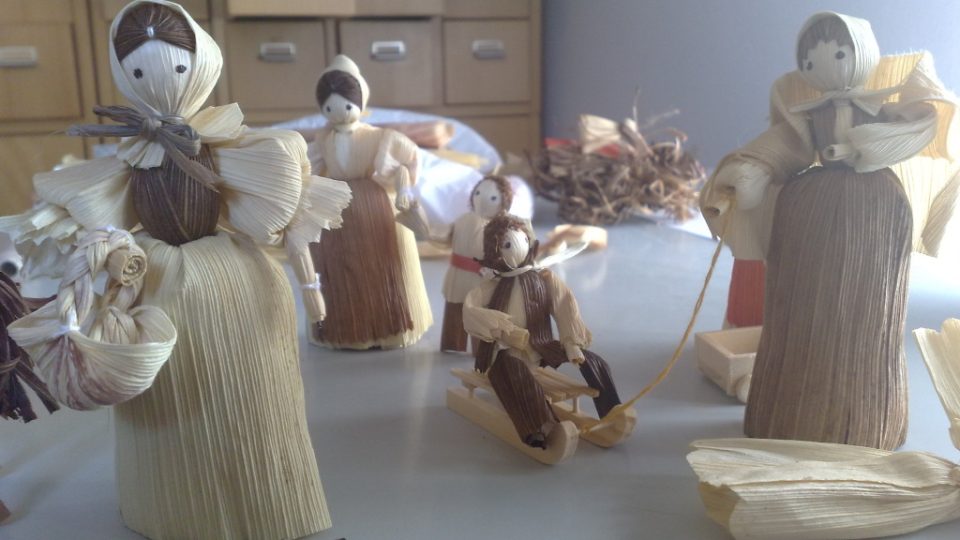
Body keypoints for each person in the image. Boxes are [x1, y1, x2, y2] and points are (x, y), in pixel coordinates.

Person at [0, 1, 351, 537]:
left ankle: (266, 495)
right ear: (124, 77)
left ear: (202, 65)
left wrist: (310, 285)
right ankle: (171, 501)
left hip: (233, 278)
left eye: (178, 66)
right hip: (157, 275)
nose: (159, 81)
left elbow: (279, 212)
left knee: (252, 393)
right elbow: (99, 210)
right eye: (138, 72)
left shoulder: (230, 147)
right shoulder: (130, 155)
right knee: (164, 393)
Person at [463, 215, 622, 448]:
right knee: (512, 371)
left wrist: (571, 343)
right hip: (505, 353)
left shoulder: (544, 278)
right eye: (507, 245)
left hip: (542, 346)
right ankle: (540, 427)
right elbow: (470, 310)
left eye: (522, 240)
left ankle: (612, 409)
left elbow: (565, 307)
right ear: (495, 253)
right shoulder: (491, 287)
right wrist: (499, 326)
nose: (518, 247)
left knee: (594, 361)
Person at [308, 55, 433, 350]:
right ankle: (342, 329)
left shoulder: (381, 137)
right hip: (336, 208)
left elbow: (406, 163)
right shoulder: (322, 139)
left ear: (360, 103)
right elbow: (309, 168)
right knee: (339, 269)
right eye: (329, 108)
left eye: (346, 106)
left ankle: (391, 325)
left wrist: (404, 190)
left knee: (384, 266)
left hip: (373, 207)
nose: (339, 114)